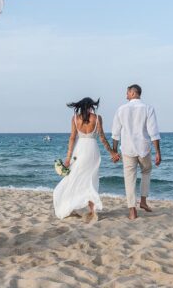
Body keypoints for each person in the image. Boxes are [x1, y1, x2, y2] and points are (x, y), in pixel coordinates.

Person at [53, 97, 119, 222]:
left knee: (74, 178)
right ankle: (92, 210)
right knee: (91, 180)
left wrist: (68, 158)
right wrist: (112, 153)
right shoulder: (97, 118)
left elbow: (72, 138)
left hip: (79, 150)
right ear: (90, 106)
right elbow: (103, 138)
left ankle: (71, 206)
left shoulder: (75, 119)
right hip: (92, 151)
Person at [111, 84, 161, 220]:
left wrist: (114, 152)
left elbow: (115, 134)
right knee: (146, 171)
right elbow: (153, 133)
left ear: (133, 93)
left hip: (127, 149)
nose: (126, 95)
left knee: (129, 178)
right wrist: (158, 152)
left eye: (127, 93)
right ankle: (143, 201)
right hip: (143, 148)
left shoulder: (121, 109)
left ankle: (132, 210)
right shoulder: (148, 108)